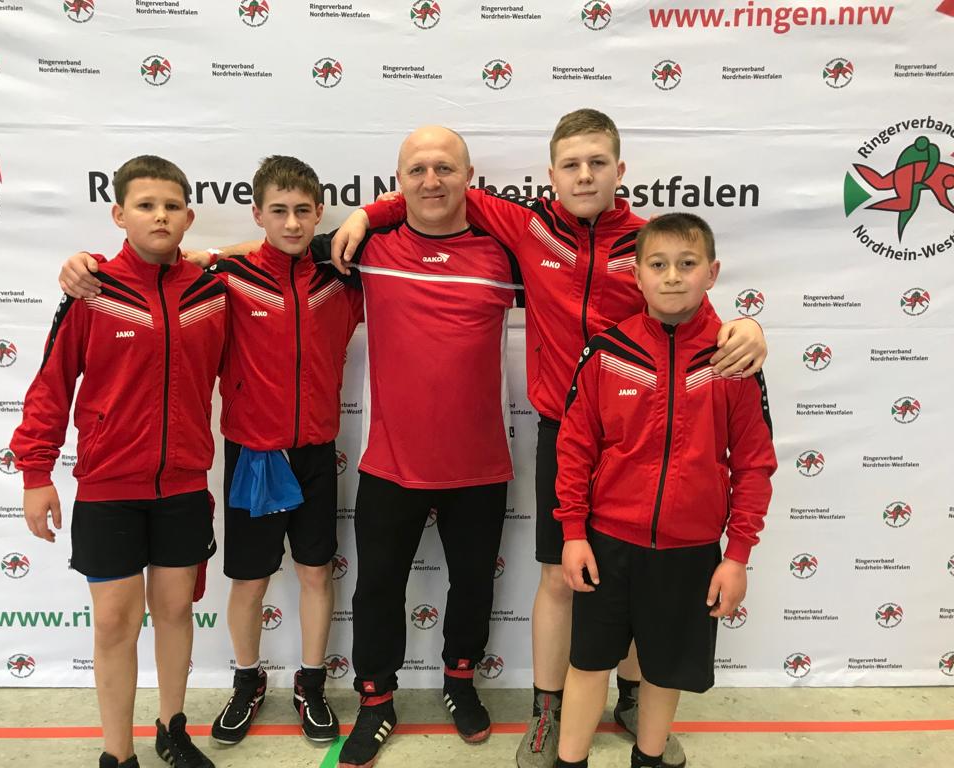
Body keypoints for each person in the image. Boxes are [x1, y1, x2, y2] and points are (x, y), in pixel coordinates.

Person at [332, 108, 768, 768]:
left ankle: (632, 697)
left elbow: (691, 306)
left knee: (642, 580)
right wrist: (369, 213)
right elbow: (436, 192)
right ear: (551, 175)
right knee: (562, 578)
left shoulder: (647, 242)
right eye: (572, 164)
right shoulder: (527, 225)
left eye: (598, 163)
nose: (585, 175)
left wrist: (747, 326)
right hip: (565, 432)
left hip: (643, 434)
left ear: (620, 171)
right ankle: (547, 711)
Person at [57, 156, 364, 746]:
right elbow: (173, 270)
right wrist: (83, 263)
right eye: (278, 211)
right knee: (249, 581)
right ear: (258, 214)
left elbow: (379, 242)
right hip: (254, 455)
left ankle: (311, 683)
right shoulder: (227, 281)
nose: (292, 223)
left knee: (315, 572)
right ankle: (247, 681)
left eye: (303, 211)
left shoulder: (340, 281)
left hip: (317, 452)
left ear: (320, 214)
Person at [10, 155, 226, 768]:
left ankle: (172, 730)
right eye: (145, 205)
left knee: (176, 611)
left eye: (172, 206)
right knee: (113, 623)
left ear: (188, 217)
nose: (160, 216)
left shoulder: (212, 292)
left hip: (184, 485)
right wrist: (35, 473)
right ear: (118, 214)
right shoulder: (92, 290)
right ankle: (117, 753)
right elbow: (51, 384)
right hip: (108, 487)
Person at [552, 213, 776, 768]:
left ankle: (649, 758)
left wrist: (737, 556)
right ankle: (570, 760)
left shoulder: (732, 363)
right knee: (588, 664)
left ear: (711, 273)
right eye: (658, 264)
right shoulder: (607, 351)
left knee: (664, 670)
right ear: (637, 275)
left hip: (690, 552)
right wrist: (574, 533)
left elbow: (753, 465)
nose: (672, 276)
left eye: (687, 263)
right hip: (607, 545)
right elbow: (575, 449)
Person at [335, 125, 521, 768]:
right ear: (398, 180)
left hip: (480, 465)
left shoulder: (507, 254)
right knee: (376, 590)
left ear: (470, 176)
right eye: (417, 169)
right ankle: (376, 701)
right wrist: (203, 258)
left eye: (445, 167)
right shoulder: (367, 248)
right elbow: (281, 248)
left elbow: (594, 278)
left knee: (472, 585)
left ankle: (461, 682)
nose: (431, 180)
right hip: (391, 463)